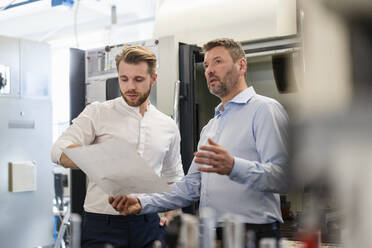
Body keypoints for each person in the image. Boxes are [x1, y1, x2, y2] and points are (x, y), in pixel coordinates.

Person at [109, 38, 289, 246]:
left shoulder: (264, 110)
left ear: (241, 65)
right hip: (211, 236)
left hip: (254, 235)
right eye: (206, 65)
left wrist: (233, 166)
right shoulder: (211, 127)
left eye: (218, 62)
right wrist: (142, 202)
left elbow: (283, 177)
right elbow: (191, 186)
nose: (209, 70)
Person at [51, 45, 184, 248]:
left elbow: (174, 175)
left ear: (153, 79)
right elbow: (58, 151)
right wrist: (100, 160)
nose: (130, 86)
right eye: (124, 79)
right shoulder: (97, 112)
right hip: (102, 224)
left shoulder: (168, 125)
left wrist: (172, 210)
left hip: (148, 223)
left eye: (138, 80)